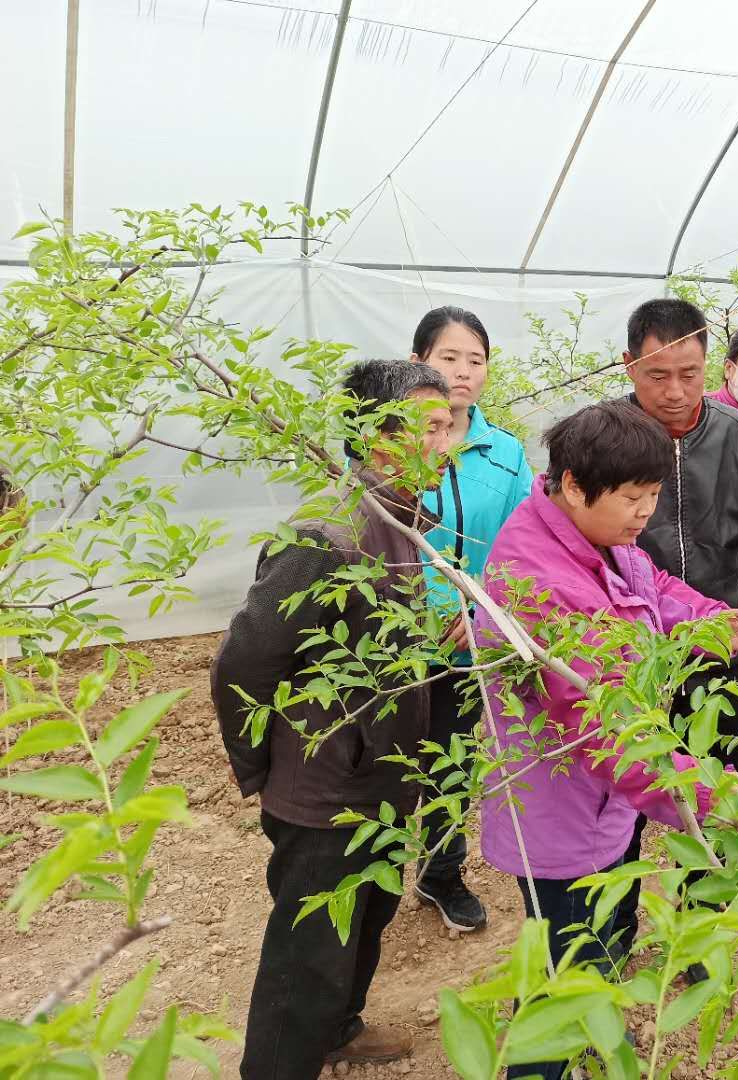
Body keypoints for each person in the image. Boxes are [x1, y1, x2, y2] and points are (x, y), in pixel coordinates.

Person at [476, 402, 738, 1080]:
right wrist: (709, 791)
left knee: (601, 944)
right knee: (562, 974)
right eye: (634, 498)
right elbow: (604, 732)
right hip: (564, 815)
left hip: (603, 806)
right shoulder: (543, 582)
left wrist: (714, 623)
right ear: (574, 485)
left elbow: (651, 588)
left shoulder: (587, 536)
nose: (646, 513)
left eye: (653, 495)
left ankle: (590, 1037)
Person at [214, 360, 454, 1078]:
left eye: (449, 426)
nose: (445, 443)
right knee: (307, 956)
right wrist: (263, 769)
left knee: (366, 918)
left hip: (376, 779)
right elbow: (244, 664)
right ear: (375, 437)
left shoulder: (399, 518)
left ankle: (338, 1029)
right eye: (428, 428)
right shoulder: (327, 535)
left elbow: (367, 644)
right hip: (325, 794)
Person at [408, 306, 533, 933]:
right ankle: (367, 871)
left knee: (451, 759)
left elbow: (526, 543)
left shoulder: (505, 452)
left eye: (475, 360)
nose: (463, 371)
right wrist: (434, 608)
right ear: (418, 364)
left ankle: (440, 873)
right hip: (398, 638)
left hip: (470, 641)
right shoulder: (392, 447)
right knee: (387, 761)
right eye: (448, 357)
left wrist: (484, 608)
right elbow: (376, 541)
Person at [623, 298, 738, 763]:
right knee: (631, 779)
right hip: (635, 646)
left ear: (709, 365)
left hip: (724, 640)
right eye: (658, 375)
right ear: (630, 365)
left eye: (689, 374)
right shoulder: (606, 438)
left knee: (718, 775)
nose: (675, 391)